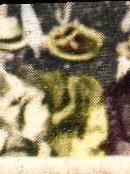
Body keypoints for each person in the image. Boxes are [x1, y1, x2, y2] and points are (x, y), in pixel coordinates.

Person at [0, 19, 52, 157]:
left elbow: (38, 117)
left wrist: (26, 140)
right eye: (3, 50)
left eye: (15, 50)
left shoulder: (32, 79)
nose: (10, 55)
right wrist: (4, 141)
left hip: (29, 149)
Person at [38, 22, 110, 157]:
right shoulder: (48, 83)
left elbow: (98, 124)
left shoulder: (92, 86)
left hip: (84, 148)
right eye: (67, 62)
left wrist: (86, 147)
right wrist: (69, 109)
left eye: (77, 64)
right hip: (53, 146)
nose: (71, 68)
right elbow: (43, 122)